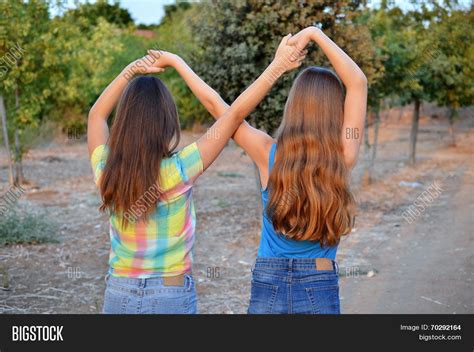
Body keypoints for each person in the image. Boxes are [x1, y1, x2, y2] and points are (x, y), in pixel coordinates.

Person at [87, 35, 305, 314]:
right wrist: (276, 67)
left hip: (119, 293)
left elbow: (96, 116)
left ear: (124, 121)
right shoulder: (180, 169)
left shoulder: (106, 170)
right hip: (171, 294)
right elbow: (233, 114)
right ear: (167, 122)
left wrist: (130, 71)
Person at [186, 26, 367, 314]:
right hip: (319, 277)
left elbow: (221, 109)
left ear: (293, 106)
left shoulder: (265, 151)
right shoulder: (344, 154)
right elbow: (357, 82)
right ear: (336, 112)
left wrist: (277, 66)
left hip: (269, 277)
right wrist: (315, 34)